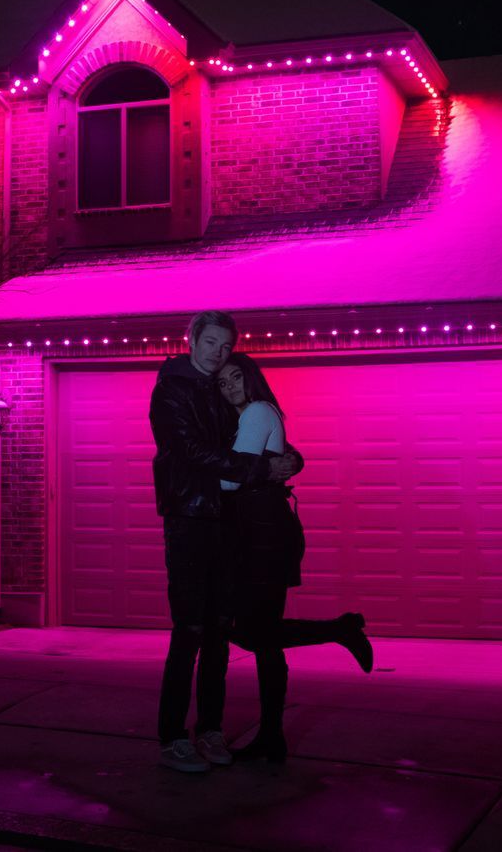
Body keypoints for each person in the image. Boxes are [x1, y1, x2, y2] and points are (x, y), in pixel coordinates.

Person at [148, 310, 300, 773]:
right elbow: (192, 451)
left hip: (228, 522)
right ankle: (174, 737)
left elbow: (252, 434)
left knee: (219, 634)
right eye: (211, 342)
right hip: (191, 520)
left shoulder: (216, 388)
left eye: (225, 345)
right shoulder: (172, 390)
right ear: (192, 339)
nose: (218, 352)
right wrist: (261, 469)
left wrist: (289, 456)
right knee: (190, 630)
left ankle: (210, 731)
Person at [218, 354, 374, 764]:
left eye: (237, 377)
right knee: (261, 635)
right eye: (222, 382)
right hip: (258, 531)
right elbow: (261, 460)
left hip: (264, 532)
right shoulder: (250, 417)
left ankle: (339, 630)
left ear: (251, 380)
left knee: (251, 631)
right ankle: (272, 736)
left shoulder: (255, 412)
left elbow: (229, 478)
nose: (230, 386)